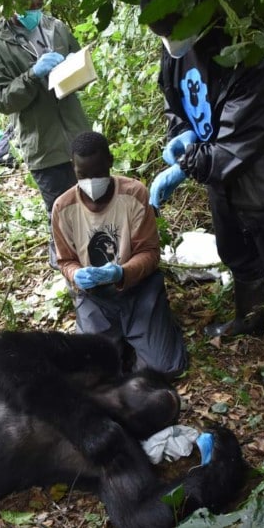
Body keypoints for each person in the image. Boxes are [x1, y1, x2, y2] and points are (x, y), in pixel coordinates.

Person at [139, 0, 264, 386]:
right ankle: (250, 319)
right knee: (235, 251)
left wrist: (186, 164)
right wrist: (181, 134)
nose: (171, 44)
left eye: (174, 34)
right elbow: (175, 101)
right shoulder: (174, 44)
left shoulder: (244, 49)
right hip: (217, 174)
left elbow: (242, 138)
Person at [52, 131, 188, 377]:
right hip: (95, 297)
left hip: (138, 289)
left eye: (98, 173)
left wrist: (121, 272)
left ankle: (152, 331)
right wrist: (76, 274)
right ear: (73, 168)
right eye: (83, 175)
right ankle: (121, 342)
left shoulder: (134, 194)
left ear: (110, 161)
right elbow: (65, 260)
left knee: (163, 369)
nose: (91, 181)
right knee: (94, 373)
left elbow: (149, 252)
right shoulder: (63, 207)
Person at [0, 0, 92, 267]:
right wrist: (32, 75)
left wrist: (75, 67)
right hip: (43, 147)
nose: (35, 8)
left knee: (96, 208)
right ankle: (75, 280)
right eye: (29, 4)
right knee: (63, 220)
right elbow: (1, 100)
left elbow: (79, 66)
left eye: (39, 3)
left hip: (80, 137)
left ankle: (105, 269)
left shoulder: (56, 28)